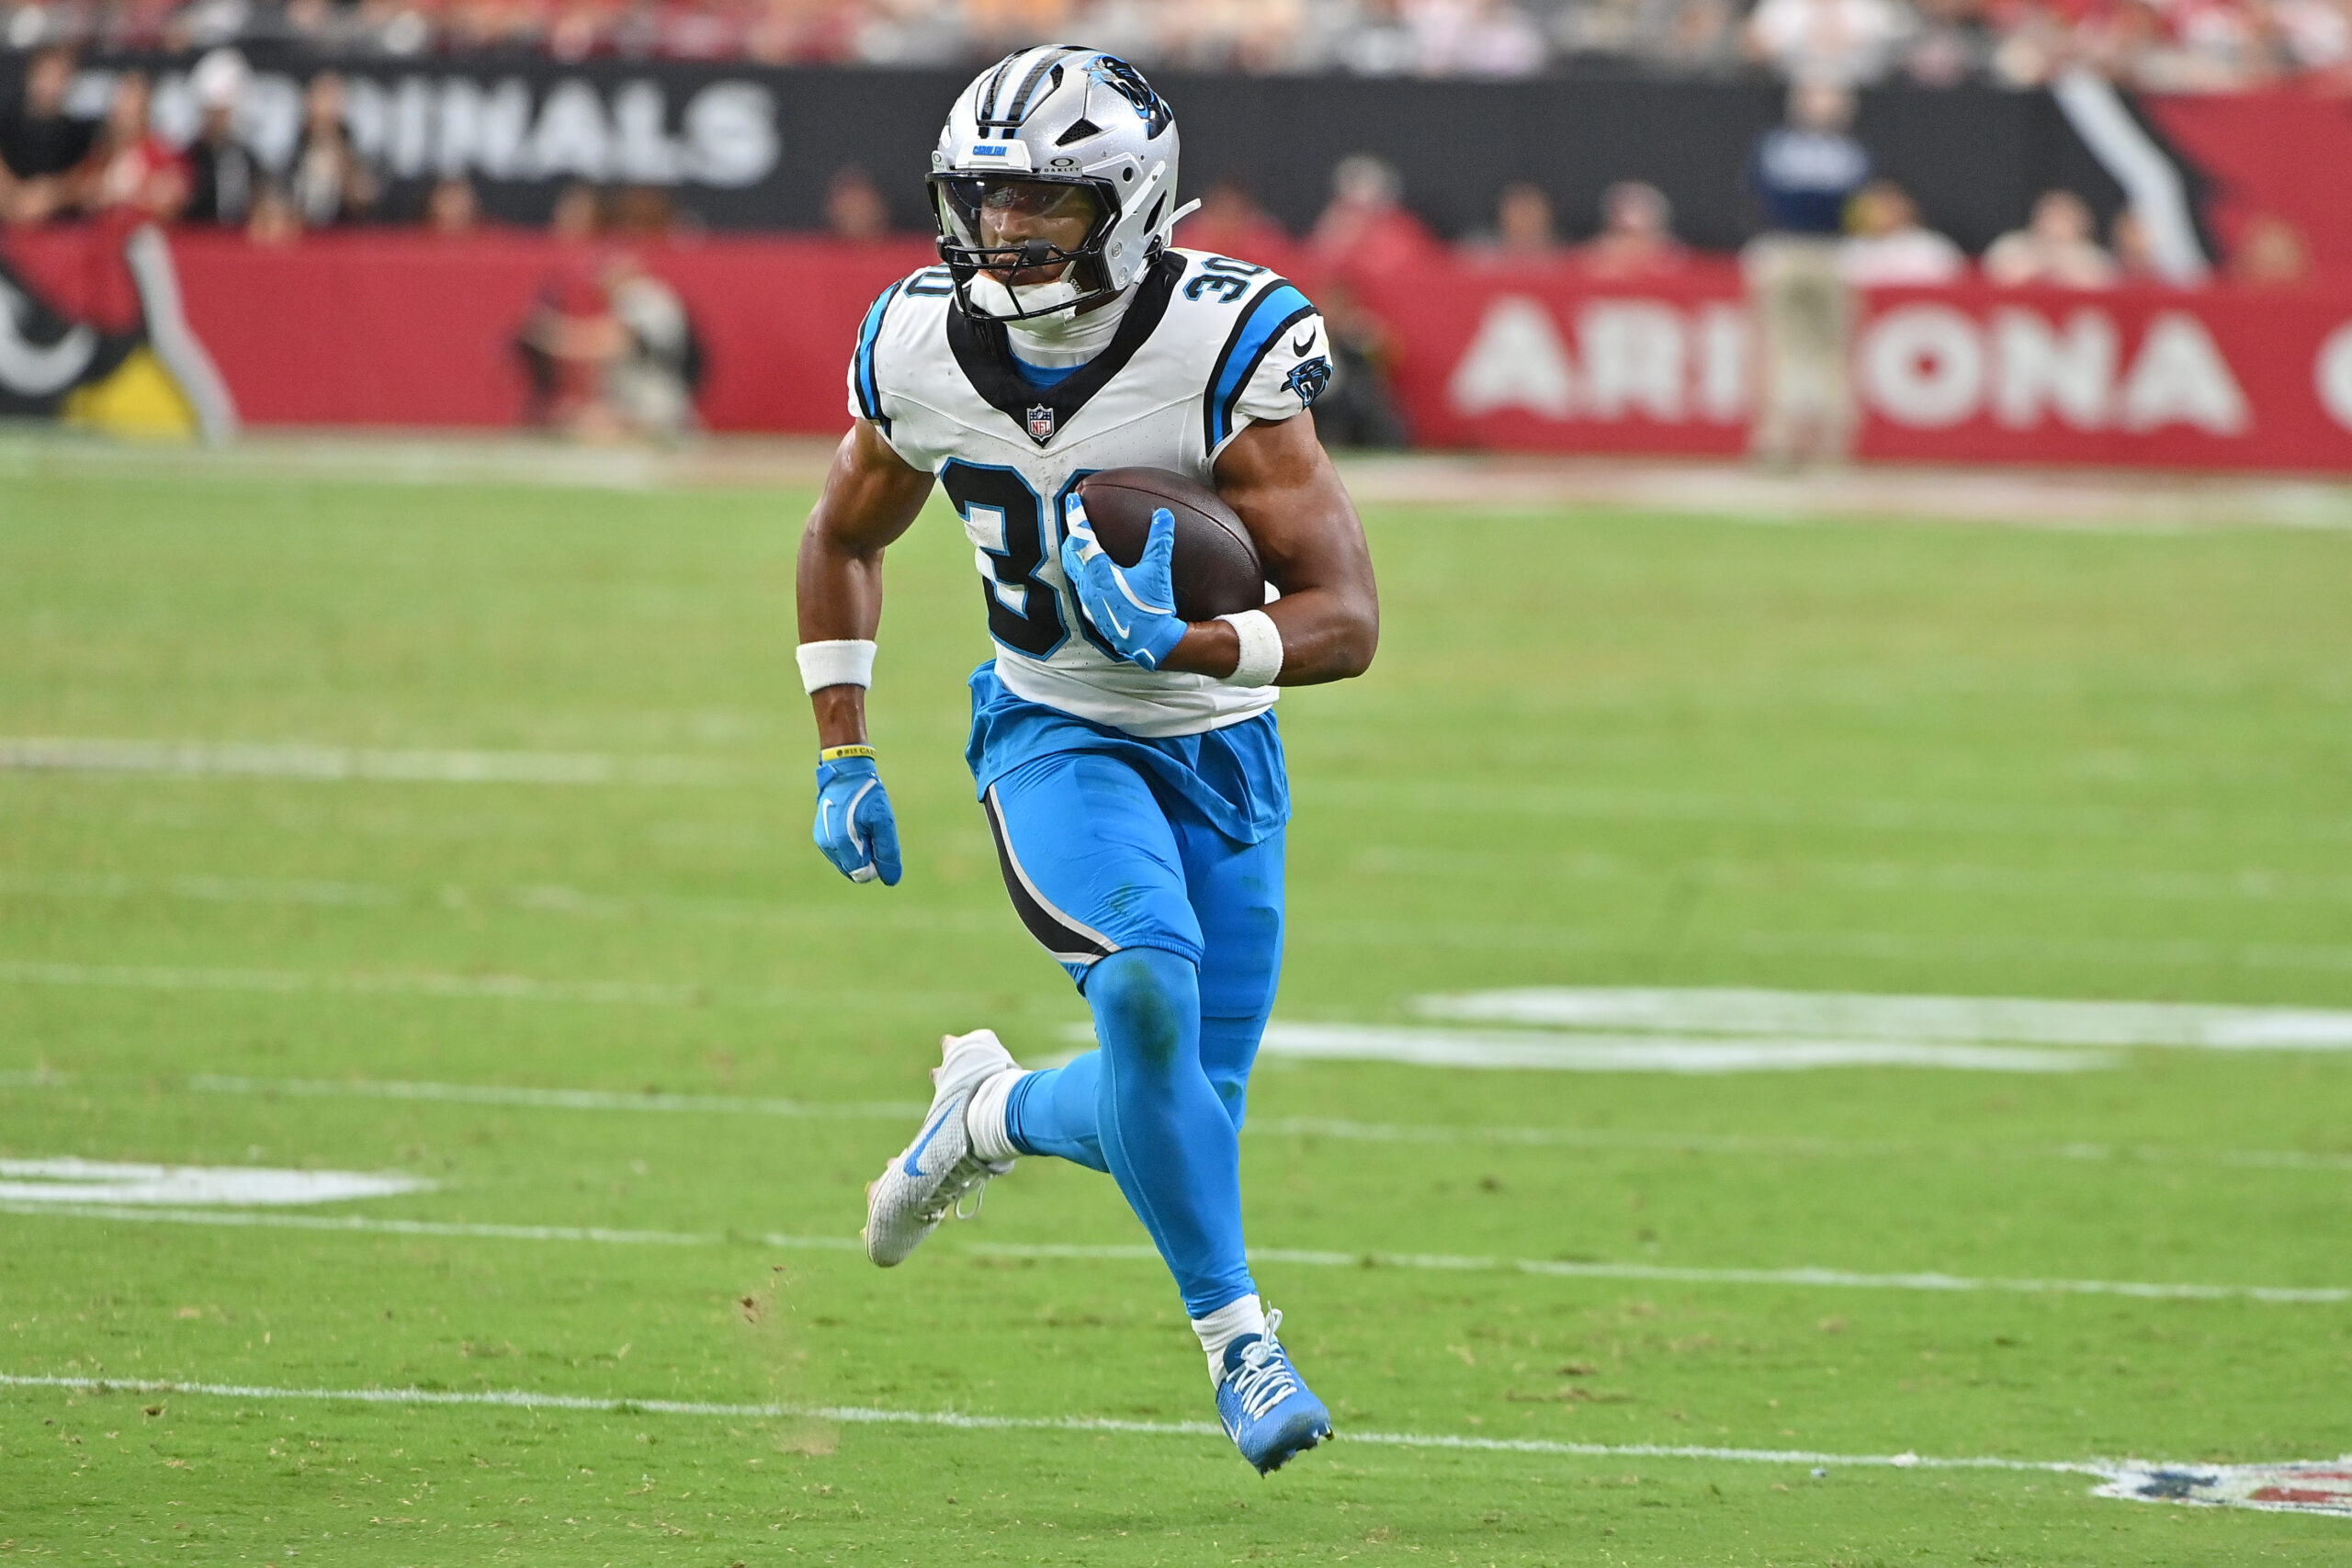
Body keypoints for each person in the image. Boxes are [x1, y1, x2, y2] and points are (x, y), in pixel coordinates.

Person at [802, 48, 1377, 1477]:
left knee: (1183, 1111)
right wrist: (841, 747)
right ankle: (1242, 1340)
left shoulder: (1222, 344)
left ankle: (988, 1109)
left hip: (1223, 750)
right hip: (1052, 726)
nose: (1006, 233)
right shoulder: (922, 344)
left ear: (1129, 204)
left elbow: (1347, 620)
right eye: (984, 201)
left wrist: (1191, 644)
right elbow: (843, 534)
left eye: (1043, 203)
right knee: (1141, 992)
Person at [1744, 81, 1870, 464]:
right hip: (1791, 249)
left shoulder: (1846, 152)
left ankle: (1826, 441)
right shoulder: (1787, 147)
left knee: (1828, 351)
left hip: (1828, 253)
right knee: (1780, 349)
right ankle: (1778, 439)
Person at [0, 45, 95, 225]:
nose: (51, 85)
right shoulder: (6, 125)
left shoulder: (81, 133)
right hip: (10, 224)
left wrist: (53, 195)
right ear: (31, 76)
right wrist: (17, 199)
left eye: (59, 77)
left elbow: (86, 178)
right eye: (46, 74)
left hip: (61, 228)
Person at [286, 73, 379, 228]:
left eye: (330, 98)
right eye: (319, 98)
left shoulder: (350, 145)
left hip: (342, 234)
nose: (324, 107)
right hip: (303, 235)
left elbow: (365, 197)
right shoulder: (296, 146)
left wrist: (344, 168)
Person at [1838, 178, 1964, 285]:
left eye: (1889, 203)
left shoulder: (1931, 247)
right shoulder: (1852, 249)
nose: (1881, 211)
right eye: (1876, 202)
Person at [184, 49, 259, 229]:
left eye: (222, 112)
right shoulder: (191, 157)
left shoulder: (246, 158)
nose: (217, 119)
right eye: (212, 112)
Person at [1983, 189, 2118, 288]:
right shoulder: (2013, 244)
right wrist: (2042, 262)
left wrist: (2060, 263)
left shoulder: (2093, 256)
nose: (2055, 224)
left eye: (2065, 217)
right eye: (2051, 215)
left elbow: (2101, 282)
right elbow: (1997, 271)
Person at [1576, 180, 1688, 278]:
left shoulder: (1678, 262)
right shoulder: (1585, 262)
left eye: (1639, 239)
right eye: (1623, 236)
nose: (1631, 247)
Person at [1460, 180, 1562, 265]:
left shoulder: (1563, 256)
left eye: (1530, 209)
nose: (1524, 217)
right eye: (1517, 209)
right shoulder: (1477, 253)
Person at [823, 164, 891, 242]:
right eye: (848, 208)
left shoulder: (903, 249)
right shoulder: (813, 250)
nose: (856, 214)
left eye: (862, 206)